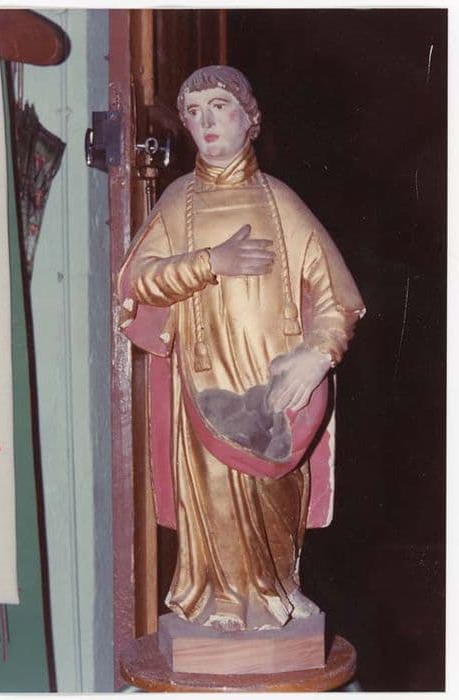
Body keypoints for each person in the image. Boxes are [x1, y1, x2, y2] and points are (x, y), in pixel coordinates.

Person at [117, 65, 365, 632]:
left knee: (278, 491)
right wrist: (210, 262)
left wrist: (317, 356)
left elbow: (339, 297)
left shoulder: (281, 202)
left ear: (250, 118)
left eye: (219, 107)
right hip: (208, 383)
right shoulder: (177, 202)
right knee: (214, 490)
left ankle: (279, 587)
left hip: (276, 386)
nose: (206, 121)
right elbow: (136, 280)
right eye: (193, 112)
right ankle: (222, 599)